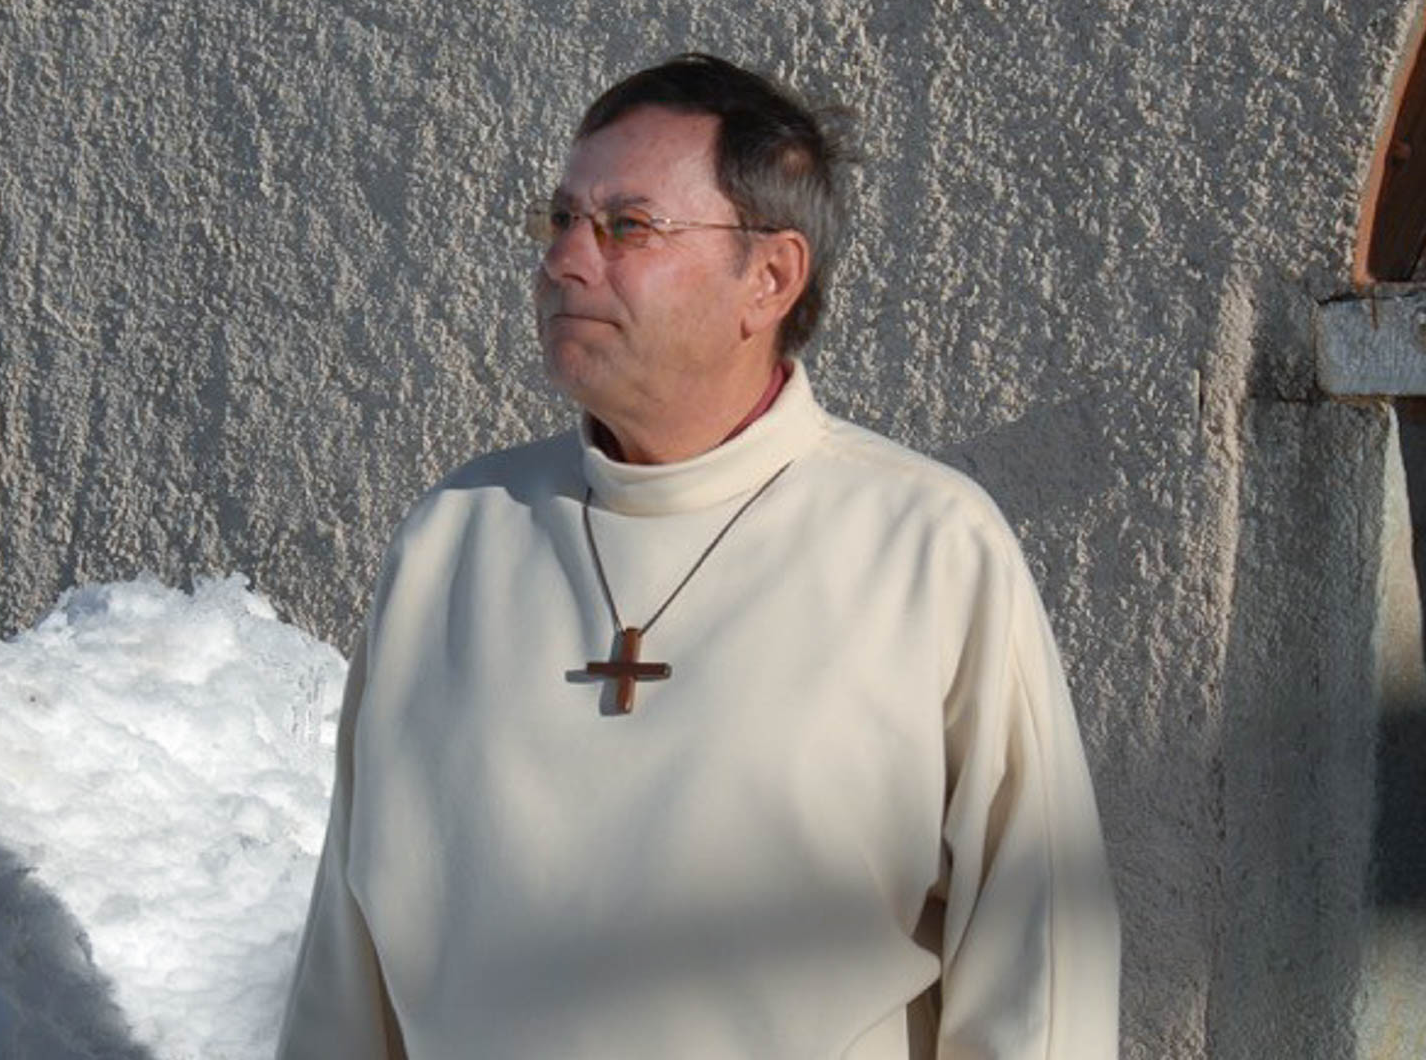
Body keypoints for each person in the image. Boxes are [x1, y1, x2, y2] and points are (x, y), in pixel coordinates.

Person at [277, 53, 1119, 1059]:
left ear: (768, 278)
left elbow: (1040, 968)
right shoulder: (456, 537)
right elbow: (348, 958)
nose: (566, 261)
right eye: (560, 221)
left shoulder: (927, 551)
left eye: (627, 227)